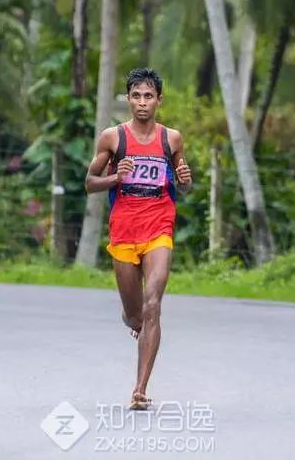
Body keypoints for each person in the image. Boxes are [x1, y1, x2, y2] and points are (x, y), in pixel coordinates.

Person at [84, 68, 192, 410]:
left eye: (148, 96)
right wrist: (116, 177)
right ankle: (131, 318)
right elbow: (90, 183)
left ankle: (140, 389)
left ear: (159, 100)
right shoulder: (113, 138)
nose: (142, 102)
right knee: (136, 316)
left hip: (159, 225)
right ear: (129, 100)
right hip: (124, 230)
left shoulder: (171, 139)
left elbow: (183, 184)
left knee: (153, 305)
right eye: (136, 96)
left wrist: (185, 179)